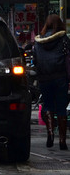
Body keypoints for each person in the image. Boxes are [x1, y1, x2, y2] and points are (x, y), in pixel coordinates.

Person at [34, 13, 70, 150]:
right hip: (60, 77)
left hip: (44, 78)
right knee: (61, 107)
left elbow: (36, 61)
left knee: (47, 105)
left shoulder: (38, 42)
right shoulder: (64, 39)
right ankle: (62, 140)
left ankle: (50, 134)